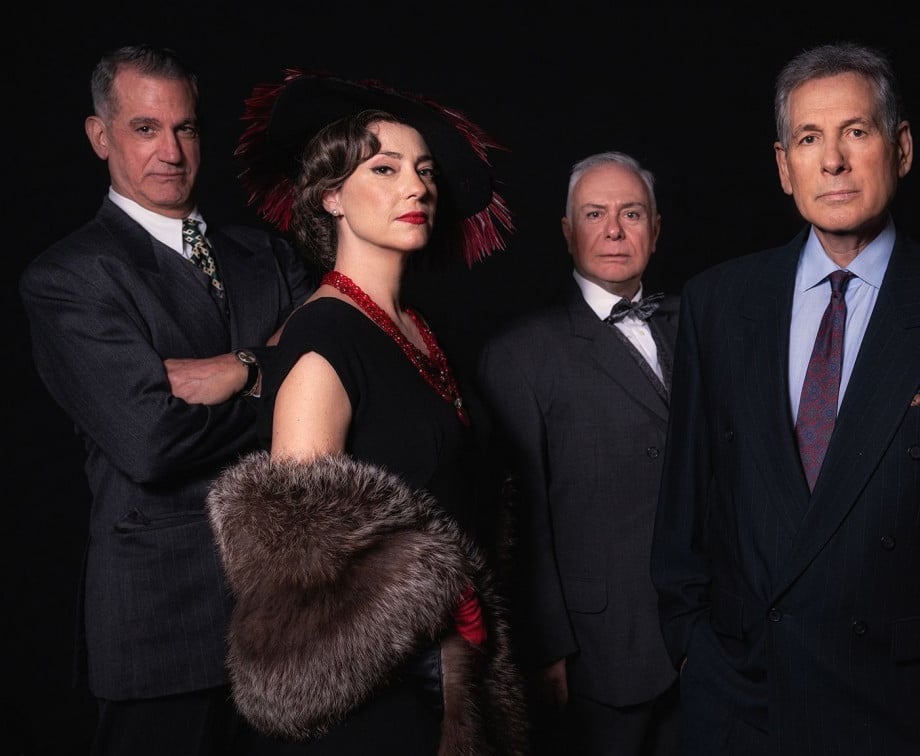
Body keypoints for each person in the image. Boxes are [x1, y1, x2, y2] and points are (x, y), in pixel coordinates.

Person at [649, 40, 920, 755]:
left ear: (901, 148)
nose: (832, 160)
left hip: (905, 711)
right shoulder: (718, 303)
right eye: (809, 138)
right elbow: (686, 500)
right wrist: (692, 650)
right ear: (784, 167)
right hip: (743, 702)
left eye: (855, 132)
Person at [204, 70, 527, 755]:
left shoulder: (422, 328)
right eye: (385, 168)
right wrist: (435, 594)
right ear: (331, 196)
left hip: (456, 683)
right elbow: (297, 567)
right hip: (375, 708)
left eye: (425, 170)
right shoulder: (323, 335)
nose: (417, 187)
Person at [17, 44, 317, 756]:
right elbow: (151, 442)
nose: (172, 152)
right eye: (145, 128)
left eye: (185, 128)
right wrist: (277, 379)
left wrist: (238, 369)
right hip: (163, 622)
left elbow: (343, 377)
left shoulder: (269, 256)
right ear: (101, 136)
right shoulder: (70, 277)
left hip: (290, 614)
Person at [477, 150, 681, 756]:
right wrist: (547, 649)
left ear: (655, 230)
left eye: (631, 214)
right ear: (568, 233)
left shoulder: (699, 325)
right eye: (595, 214)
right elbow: (520, 521)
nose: (614, 230)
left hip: (705, 642)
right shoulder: (519, 355)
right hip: (597, 653)